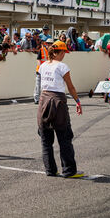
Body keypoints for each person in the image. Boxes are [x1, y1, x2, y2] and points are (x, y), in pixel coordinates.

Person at [37, 41, 82, 178]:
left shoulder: (43, 65)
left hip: (43, 101)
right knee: (64, 137)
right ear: (61, 52)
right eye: (64, 53)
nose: (64, 56)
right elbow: (71, 87)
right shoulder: (62, 66)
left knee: (45, 139)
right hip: (58, 102)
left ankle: (50, 170)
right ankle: (69, 170)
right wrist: (78, 101)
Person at [33, 38, 48, 104]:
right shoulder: (41, 50)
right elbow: (38, 60)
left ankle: (42, 99)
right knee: (38, 85)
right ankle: (37, 99)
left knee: (44, 85)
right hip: (40, 70)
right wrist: (41, 69)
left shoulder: (48, 51)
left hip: (45, 70)